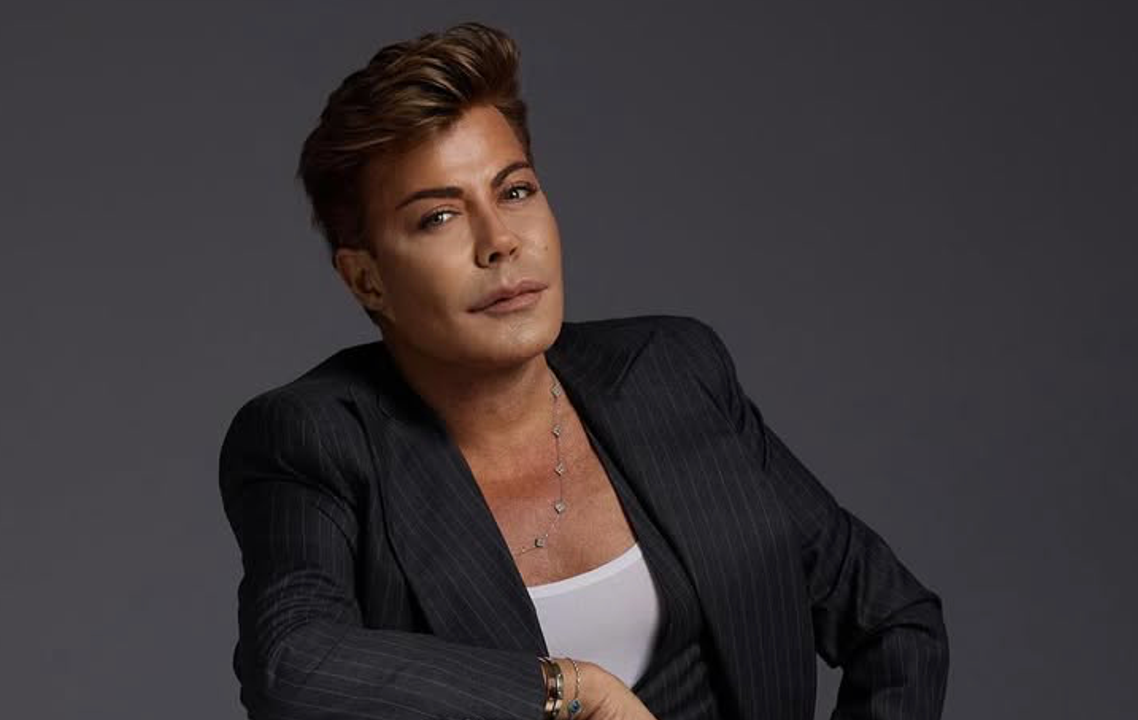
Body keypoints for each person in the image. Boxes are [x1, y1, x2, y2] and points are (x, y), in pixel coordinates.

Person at [217, 21, 948, 720]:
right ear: (367, 279)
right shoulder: (317, 439)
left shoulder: (670, 373)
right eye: (439, 216)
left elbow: (893, 619)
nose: (500, 241)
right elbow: (291, 666)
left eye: (515, 191)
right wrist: (571, 690)